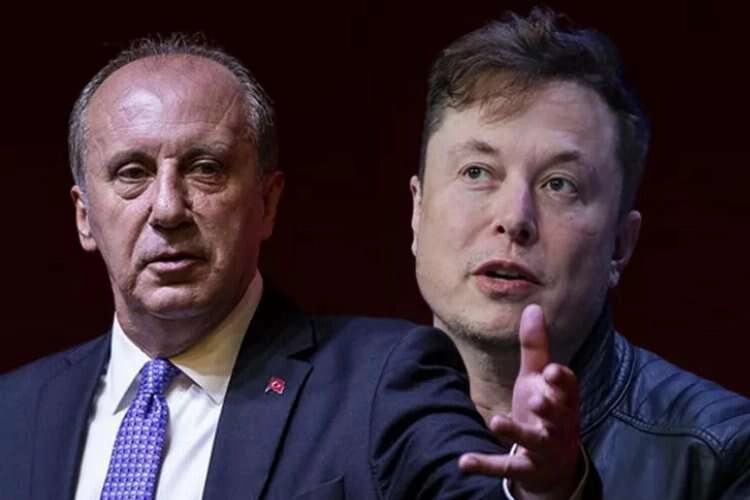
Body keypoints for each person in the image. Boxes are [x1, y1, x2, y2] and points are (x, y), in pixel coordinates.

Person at [0, 35, 590, 500]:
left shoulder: (384, 382)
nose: (168, 208)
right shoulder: (14, 412)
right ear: (84, 216)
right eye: (132, 173)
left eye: (206, 169)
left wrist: (543, 491)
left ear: (268, 203)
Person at [409, 8, 750, 499]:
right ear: (417, 211)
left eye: (559, 184)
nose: (515, 218)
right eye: (477, 172)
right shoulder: (323, 417)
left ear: (621, 245)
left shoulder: (724, 458)